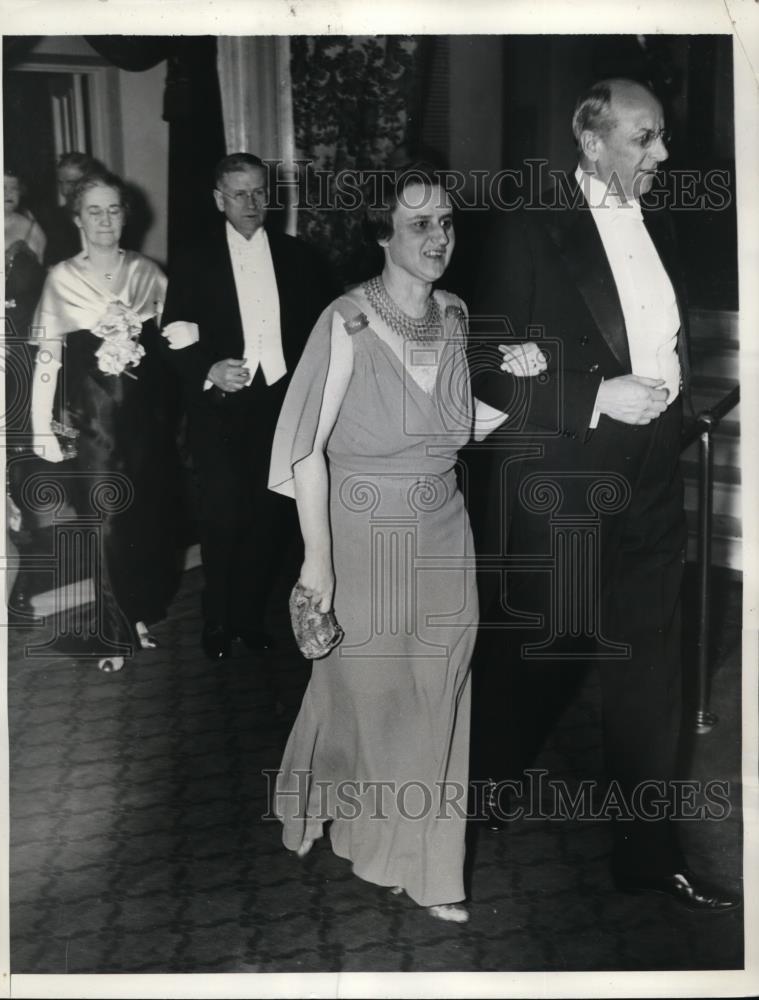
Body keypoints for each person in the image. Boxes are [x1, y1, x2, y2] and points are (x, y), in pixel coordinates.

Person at [468, 79, 737, 911]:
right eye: (643, 139)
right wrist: (592, 396)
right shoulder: (527, 229)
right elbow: (478, 369)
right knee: (532, 662)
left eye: (658, 139)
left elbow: (663, 341)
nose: (661, 155)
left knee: (650, 669)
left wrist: (673, 412)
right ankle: (477, 800)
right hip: (567, 485)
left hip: (655, 469)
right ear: (592, 142)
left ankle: (648, 855)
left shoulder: (658, 223)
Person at [268, 165, 545, 923]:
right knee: (369, 697)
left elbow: (451, 431)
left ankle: (425, 868)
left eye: (446, 223)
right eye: (418, 223)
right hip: (364, 532)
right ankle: (353, 817)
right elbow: (303, 452)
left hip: (444, 532)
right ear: (382, 233)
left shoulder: (454, 314)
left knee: (439, 697)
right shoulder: (346, 320)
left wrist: (514, 389)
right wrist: (316, 564)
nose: (437, 238)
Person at [160, 152, 337, 660]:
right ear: (219, 199)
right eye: (239, 193)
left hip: (281, 404)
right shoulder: (194, 259)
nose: (252, 202)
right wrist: (208, 369)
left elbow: (322, 330)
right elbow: (171, 332)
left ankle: (249, 618)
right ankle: (217, 620)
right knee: (221, 520)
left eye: (259, 191)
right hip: (221, 410)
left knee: (268, 520)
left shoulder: (299, 255)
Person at [30, 169, 178, 673]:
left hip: (146, 423)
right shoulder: (62, 278)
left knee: (143, 522)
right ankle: (112, 631)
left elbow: (173, 343)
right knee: (106, 524)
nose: (106, 220)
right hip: (93, 423)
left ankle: (135, 613)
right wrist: (38, 426)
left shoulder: (147, 272)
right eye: (94, 210)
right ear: (76, 218)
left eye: (114, 209)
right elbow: (48, 357)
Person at [4, 167, 47, 621]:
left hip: (19, 356)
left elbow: (42, 291)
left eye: (13, 188)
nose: (6, 196)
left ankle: (17, 590)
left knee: (14, 471)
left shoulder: (32, 229)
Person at [41, 152, 105, 266]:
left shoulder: (105, 217)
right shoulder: (52, 219)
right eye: (61, 183)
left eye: (72, 183)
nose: (64, 191)